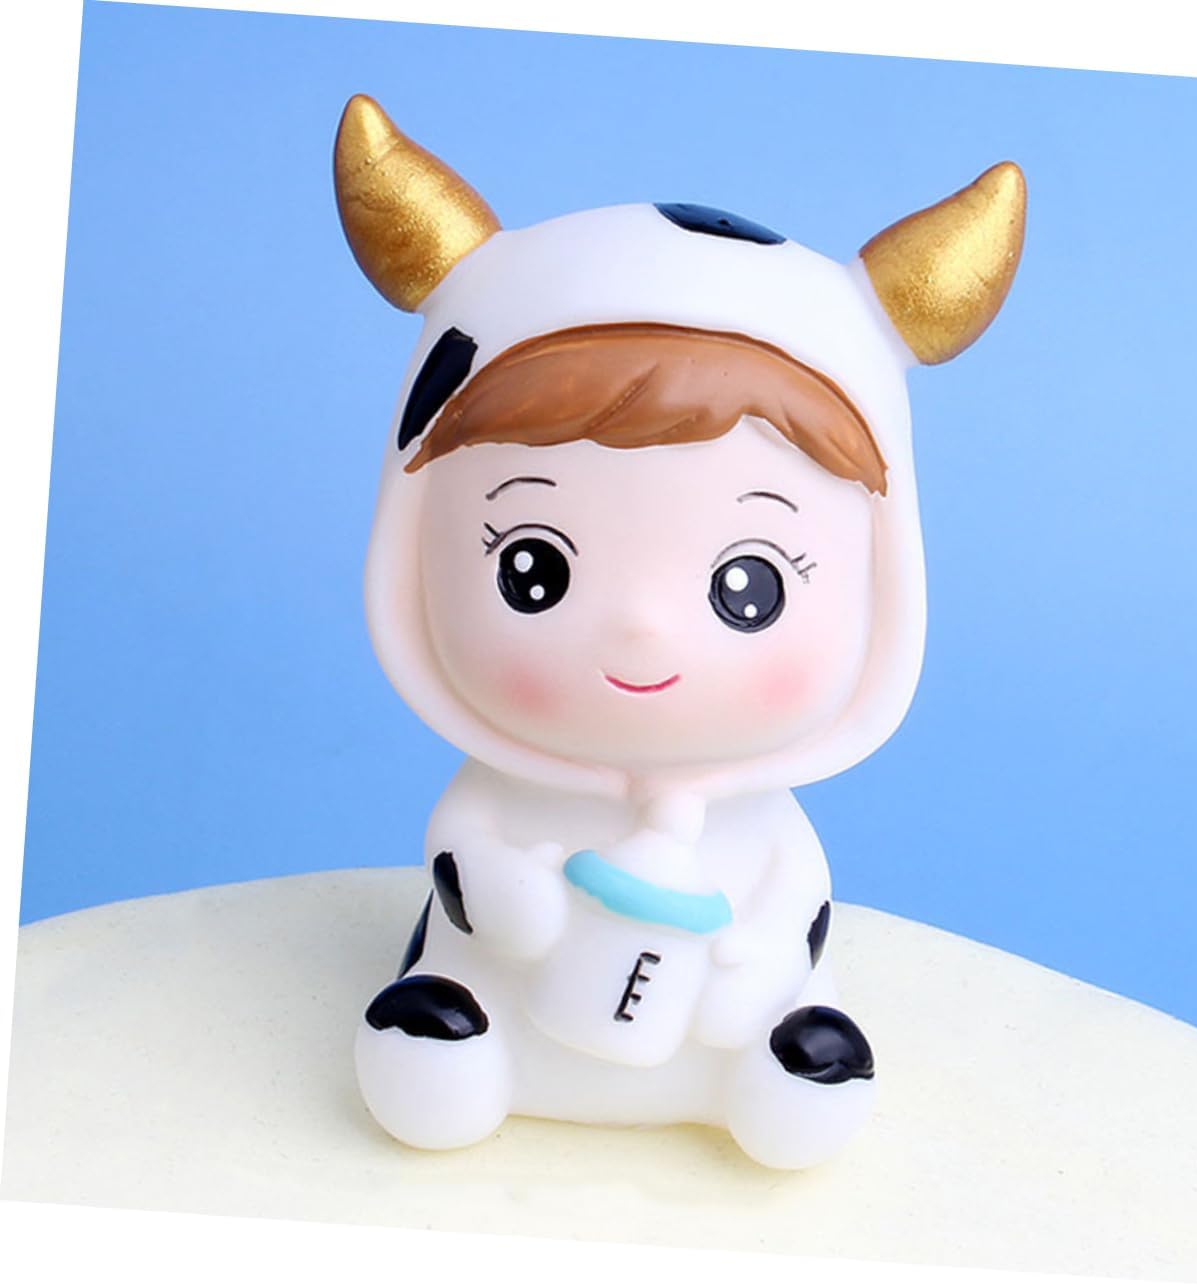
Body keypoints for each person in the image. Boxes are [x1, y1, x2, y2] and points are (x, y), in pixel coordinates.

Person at [334, 94, 1025, 1168]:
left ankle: (782, 1065)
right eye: (532, 568)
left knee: (781, 1028)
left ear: (880, 579)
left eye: (749, 588)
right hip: (511, 1001)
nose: (643, 632)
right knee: (446, 1021)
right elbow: (466, 856)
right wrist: (511, 903)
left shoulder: (759, 815)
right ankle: (446, 1043)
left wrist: (757, 954)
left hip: (711, 1030)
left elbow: (791, 890)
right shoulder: (499, 792)